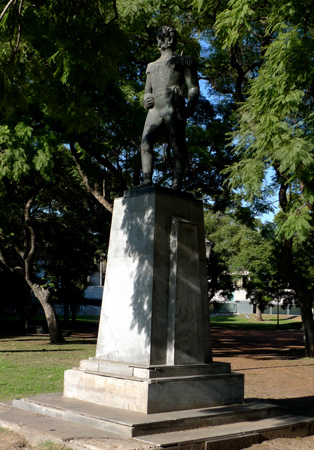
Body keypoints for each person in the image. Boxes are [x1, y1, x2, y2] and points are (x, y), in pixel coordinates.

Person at [140, 25, 199, 190]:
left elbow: (193, 87)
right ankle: (146, 181)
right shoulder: (151, 66)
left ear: (172, 39)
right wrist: (146, 99)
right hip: (155, 107)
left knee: (176, 144)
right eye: (161, 36)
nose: (164, 40)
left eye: (166, 36)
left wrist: (191, 107)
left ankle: (177, 183)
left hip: (174, 101)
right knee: (145, 142)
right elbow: (147, 91)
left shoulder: (183, 60)